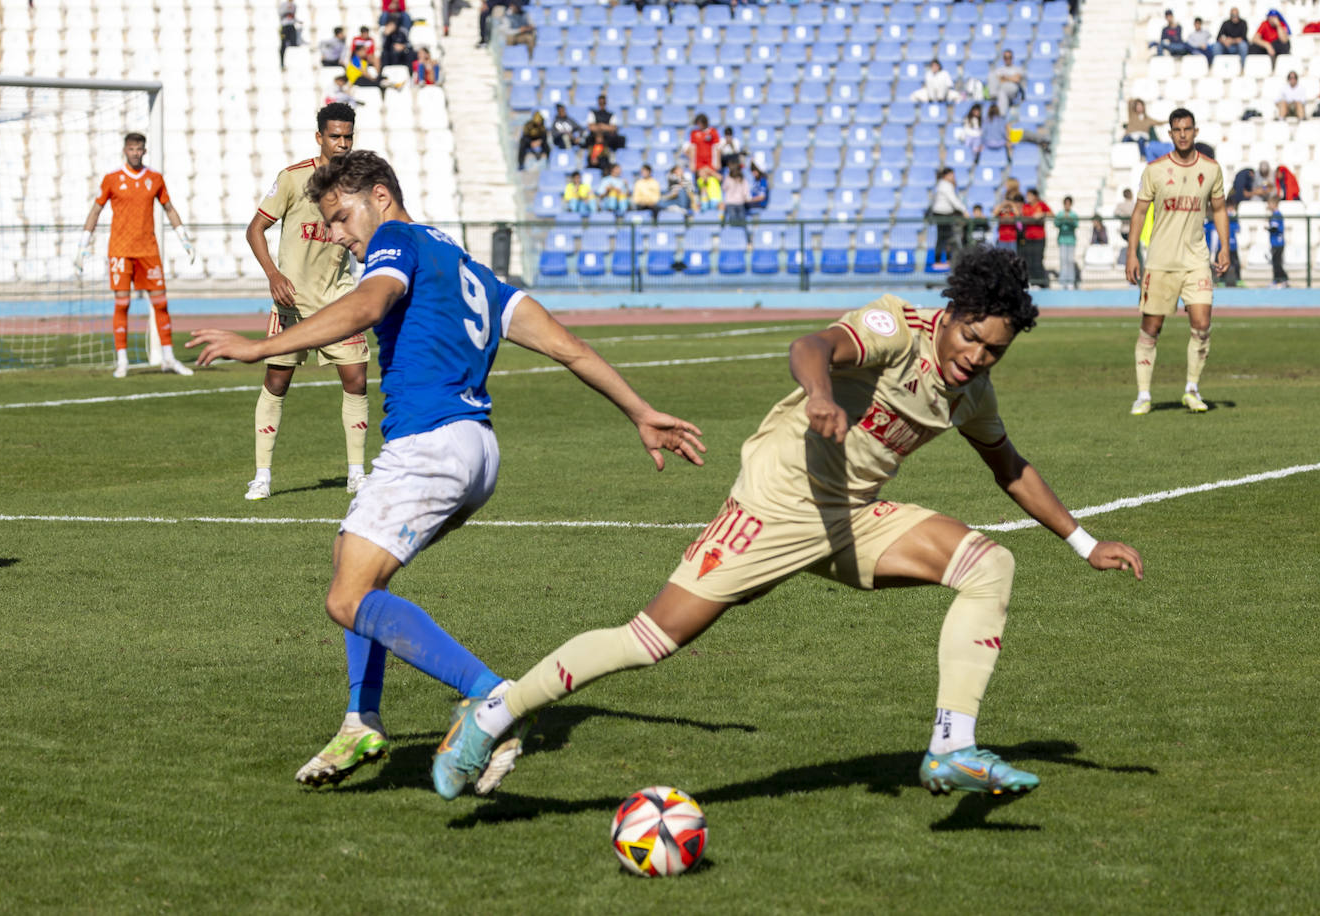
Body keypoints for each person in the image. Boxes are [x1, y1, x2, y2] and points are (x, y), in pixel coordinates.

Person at [428, 245, 1144, 802]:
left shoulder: (971, 393)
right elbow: (811, 345)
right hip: (775, 503)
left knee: (989, 564)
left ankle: (953, 747)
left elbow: (1009, 466)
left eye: (994, 352)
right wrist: (822, 395)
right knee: (649, 640)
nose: (977, 359)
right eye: (974, 341)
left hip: (851, 518)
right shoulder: (898, 326)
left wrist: (1085, 542)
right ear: (954, 314)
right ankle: (492, 714)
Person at [188, 150, 705, 790]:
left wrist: (260, 346)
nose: (342, 237)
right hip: (477, 451)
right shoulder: (465, 265)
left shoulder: (397, 241)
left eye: (343, 218)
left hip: (429, 446)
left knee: (347, 598)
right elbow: (565, 346)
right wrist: (640, 411)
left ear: (380, 197)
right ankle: (359, 721)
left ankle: (493, 702)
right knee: (355, 561)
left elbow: (368, 307)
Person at [241, 103, 369, 502]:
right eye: (335, 136)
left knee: (357, 380)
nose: (343, 143)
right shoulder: (294, 179)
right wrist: (274, 276)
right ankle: (262, 476)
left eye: (348, 136)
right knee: (276, 383)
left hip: (338, 300)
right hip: (292, 304)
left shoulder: (359, 186)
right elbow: (255, 229)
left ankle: (356, 474)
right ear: (320, 138)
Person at [1125, 107, 1228, 416]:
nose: (1183, 134)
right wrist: (1132, 253)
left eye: (1187, 129)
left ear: (1195, 132)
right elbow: (1140, 213)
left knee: (1202, 324)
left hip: (1196, 260)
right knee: (1151, 327)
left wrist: (1224, 248)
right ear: (1170, 134)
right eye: (1177, 130)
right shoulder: (1155, 170)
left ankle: (1192, 389)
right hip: (1160, 262)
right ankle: (1144, 394)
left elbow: (1220, 209)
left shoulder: (1211, 169)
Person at [75, 132, 197, 378]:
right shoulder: (112, 179)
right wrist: (83, 245)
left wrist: (184, 237)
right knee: (122, 303)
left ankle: (168, 358)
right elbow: (96, 210)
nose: (135, 153)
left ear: (144, 150)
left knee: (161, 304)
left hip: (148, 251)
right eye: (131, 148)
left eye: (139, 148)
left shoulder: (155, 178)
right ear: (124, 150)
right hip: (120, 251)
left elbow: (169, 208)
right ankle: (122, 361)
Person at [928, 166, 968, 267]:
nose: (953, 177)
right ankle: (939, 260)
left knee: (946, 238)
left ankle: (946, 259)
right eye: (951, 175)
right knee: (943, 238)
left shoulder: (944, 185)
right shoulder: (945, 185)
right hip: (943, 215)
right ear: (946, 175)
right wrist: (964, 211)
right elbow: (953, 200)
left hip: (946, 214)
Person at [1019, 188, 1052, 287]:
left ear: (1035, 196)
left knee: (1038, 260)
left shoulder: (1041, 205)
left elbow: (1052, 214)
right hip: (1028, 237)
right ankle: (1032, 282)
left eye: (1030, 195)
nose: (1028, 198)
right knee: (1029, 261)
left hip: (1039, 238)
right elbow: (1021, 218)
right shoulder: (1025, 206)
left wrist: (1042, 214)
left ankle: (1042, 283)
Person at [989, 50, 1025, 114]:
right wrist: (1010, 78)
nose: (1007, 59)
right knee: (1001, 92)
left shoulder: (1017, 69)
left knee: (1001, 91)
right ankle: (1002, 114)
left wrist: (1004, 78)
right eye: (1005, 57)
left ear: (1012, 58)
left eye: (1009, 57)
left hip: (1013, 89)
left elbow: (1017, 79)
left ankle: (994, 100)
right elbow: (998, 79)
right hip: (1001, 88)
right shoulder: (1000, 69)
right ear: (1003, 58)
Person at [1054, 197, 1079, 289]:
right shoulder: (1060, 214)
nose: (1067, 205)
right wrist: (1062, 219)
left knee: (1070, 261)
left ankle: (1070, 281)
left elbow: (1076, 224)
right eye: (1066, 203)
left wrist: (1069, 220)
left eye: (1069, 203)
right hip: (1062, 240)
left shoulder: (1073, 214)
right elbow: (1056, 223)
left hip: (1071, 240)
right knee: (1063, 260)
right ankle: (1063, 281)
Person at [686, 113, 720, 177]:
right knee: (702, 176)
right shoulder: (694, 133)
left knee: (712, 177)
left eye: (700, 123)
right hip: (699, 161)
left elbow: (716, 147)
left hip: (710, 160)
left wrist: (718, 161)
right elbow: (692, 148)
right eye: (697, 123)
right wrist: (692, 163)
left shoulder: (712, 131)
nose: (698, 125)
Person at [1266, 195, 1288, 288]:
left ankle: (1281, 279)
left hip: (1277, 243)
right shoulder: (1275, 215)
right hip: (1275, 242)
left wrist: (1268, 228)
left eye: (1270, 203)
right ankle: (1280, 279)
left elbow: (1274, 228)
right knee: (1276, 262)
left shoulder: (1276, 215)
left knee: (1277, 262)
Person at [721, 161, 748, 226]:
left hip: (733, 203)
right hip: (737, 202)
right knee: (739, 221)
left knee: (735, 221)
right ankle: (735, 234)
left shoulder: (729, 179)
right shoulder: (742, 179)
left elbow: (723, 188)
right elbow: (745, 192)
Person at [278, 1, 299, 69]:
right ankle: (282, 63)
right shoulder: (283, 4)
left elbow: (293, 16)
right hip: (284, 27)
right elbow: (280, 15)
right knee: (283, 45)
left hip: (291, 26)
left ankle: (292, 64)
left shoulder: (294, 5)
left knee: (294, 44)